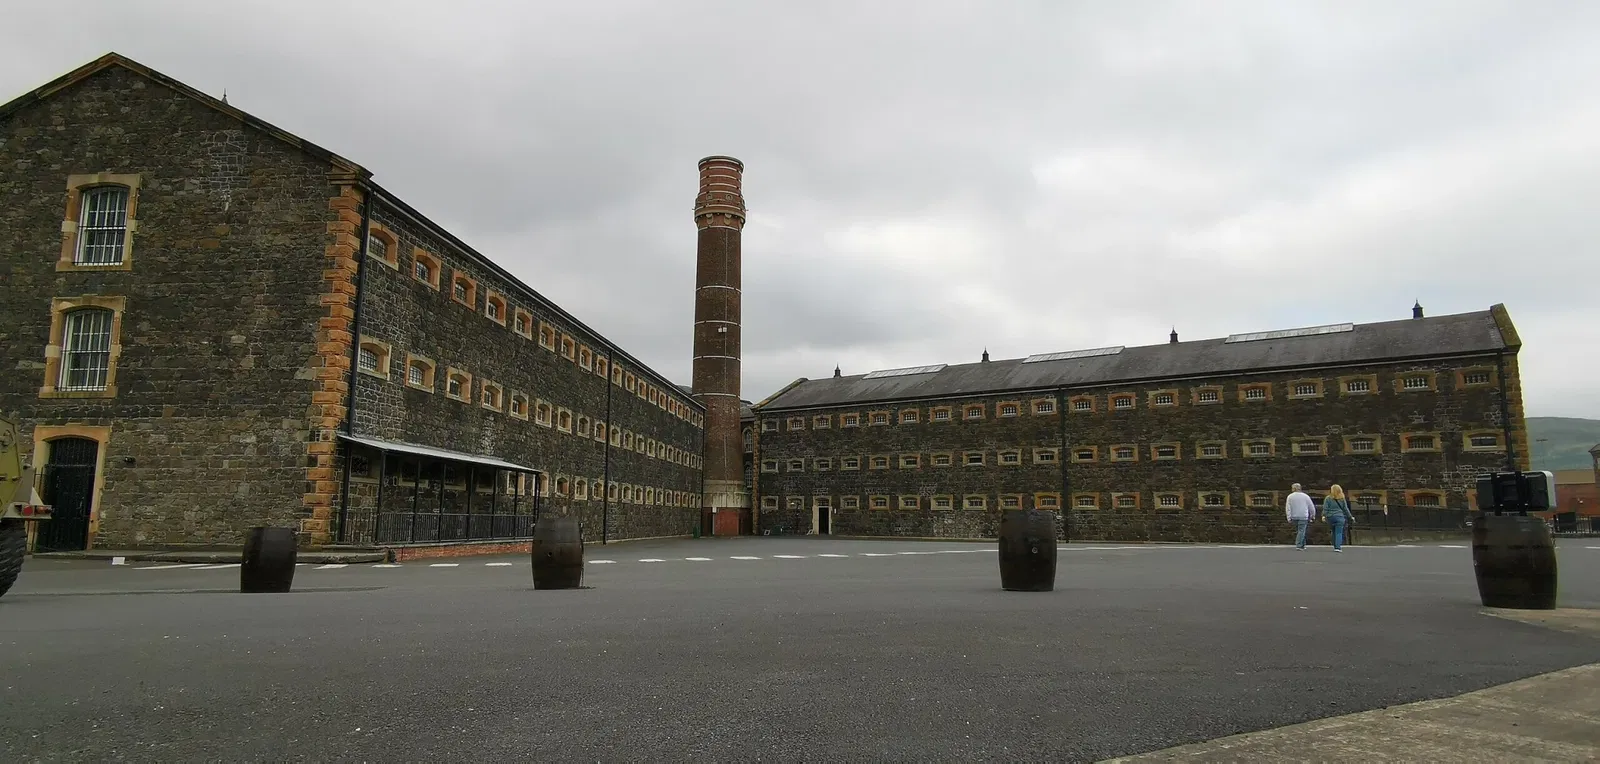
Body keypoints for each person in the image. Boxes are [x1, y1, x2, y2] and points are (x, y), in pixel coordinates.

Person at [1285, 483, 1315, 550]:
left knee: (1299, 531)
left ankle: (1302, 545)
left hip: (1294, 516)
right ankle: (1299, 545)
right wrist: (1312, 515)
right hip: (1303, 516)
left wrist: (1288, 517)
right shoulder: (1305, 496)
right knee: (1302, 530)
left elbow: (1288, 508)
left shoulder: (1290, 496)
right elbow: (1311, 507)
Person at [1323, 485, 1351, 552]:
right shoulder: (1342, 498)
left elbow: (1325, 508)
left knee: (1333, 531)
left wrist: (1324, 515)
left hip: (1330, 517)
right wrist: (1350, 516)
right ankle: (1338, 547)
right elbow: (1345, 509)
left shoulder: (1328, 498)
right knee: (1339, 532)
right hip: (1340, 517)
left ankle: (1334, 544)